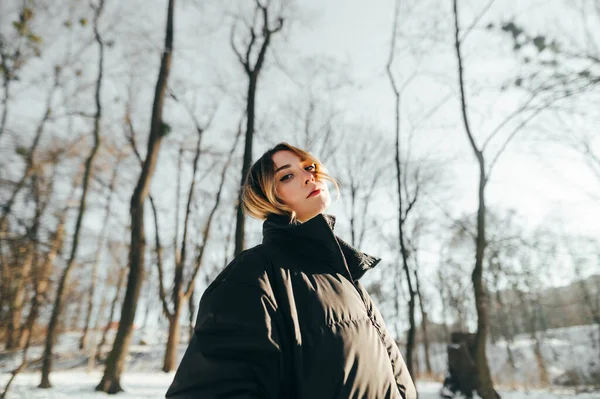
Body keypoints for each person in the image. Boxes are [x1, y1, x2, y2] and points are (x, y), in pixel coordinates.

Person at [166, 142, 417, 399]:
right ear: (267, 197)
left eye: (309, 167)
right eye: (287, 176)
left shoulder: (346, 278)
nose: (309, 177)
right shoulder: (254, 274)